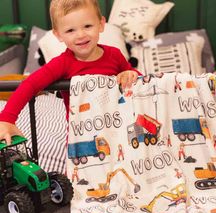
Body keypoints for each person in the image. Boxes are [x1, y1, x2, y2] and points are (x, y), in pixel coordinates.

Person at [0, 0, 141, 145]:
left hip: (121, 132)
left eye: (87, 26)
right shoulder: (62, 64)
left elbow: (141, 80)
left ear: (101, 24)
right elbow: (30, 84)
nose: (80, 35)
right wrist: (6, 119)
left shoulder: (114, 55)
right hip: (82, 140)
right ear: (58, 34)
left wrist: (130, 74)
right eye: (70, 30)